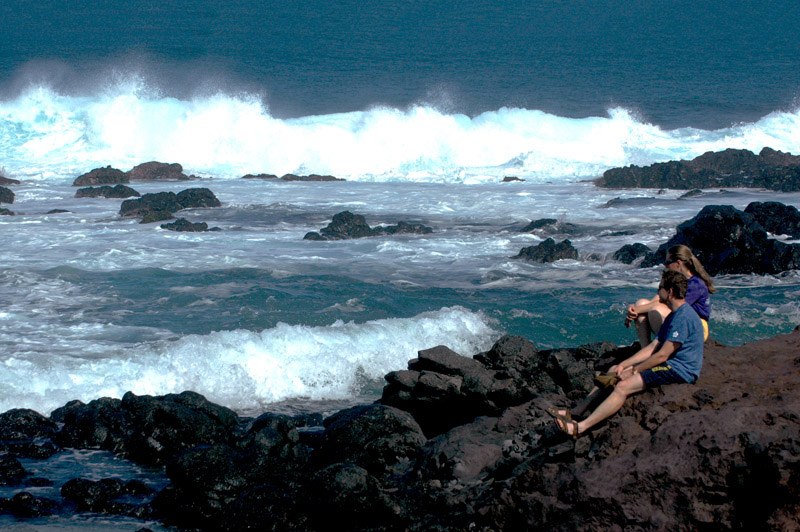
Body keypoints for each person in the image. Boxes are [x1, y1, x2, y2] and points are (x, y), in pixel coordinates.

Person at [552, 269, 704, 438]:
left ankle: (580, 428)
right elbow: (653, 347)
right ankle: (577, 411)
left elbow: (662, 355)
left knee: (623, 387)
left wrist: (634, 370)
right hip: (670, 364)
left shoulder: (683, 317)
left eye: (660, 288)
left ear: (670, 292)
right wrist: (624, 365)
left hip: (680, 370)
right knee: (613, 371)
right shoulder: (673, 316)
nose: (657, 292)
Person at [625, 244, 714, 345]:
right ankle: (646, 349)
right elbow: (658, 299)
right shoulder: (675, 281)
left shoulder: (696, 284)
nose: (665, 266)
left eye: (668, 263)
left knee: (655, 310)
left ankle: (665, 347)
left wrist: (634, 311)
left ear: (678, 263)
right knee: (641, 303)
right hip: (681, 322)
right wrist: (636, 308)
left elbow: (671, 306)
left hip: (697, 326)